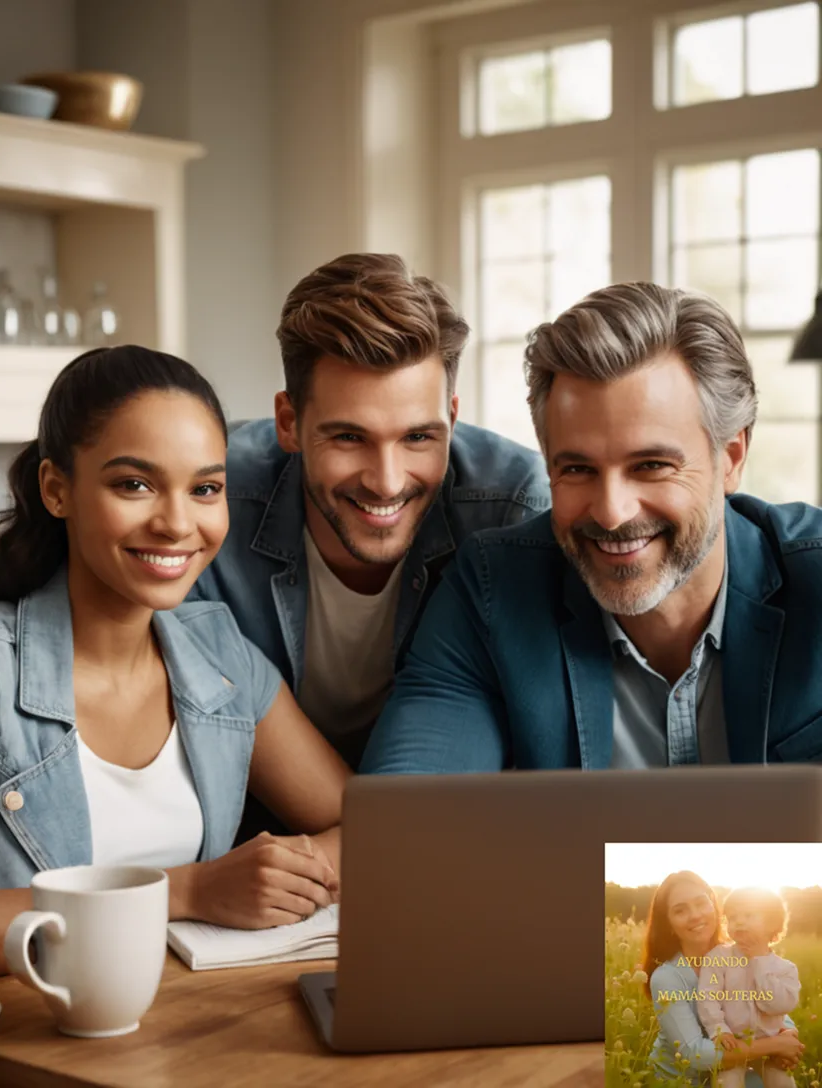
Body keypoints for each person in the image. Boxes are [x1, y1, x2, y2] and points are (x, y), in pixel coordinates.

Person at [0, 345, 349, 982]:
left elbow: (372, 827)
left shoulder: (220, 655)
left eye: (205, 488)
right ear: (56, 489)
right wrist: (186, 893)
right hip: (15, 1051)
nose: (178, 523)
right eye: (135, 485)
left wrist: (281, 876)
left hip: (186, 1038)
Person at [361, 282, 822, 774]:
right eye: (578, 470)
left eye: (650, 465)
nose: (610, 513)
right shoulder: (494, 590)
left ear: (730, 459)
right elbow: (413, 812)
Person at [190, 253, 549, 774]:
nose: (386, 480)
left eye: (419, 437)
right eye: (349, 437)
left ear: (451, 417)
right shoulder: (211, 499)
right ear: (288, 422)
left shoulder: (514, 508)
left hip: (436, 821)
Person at [643, 872, 803, 1085]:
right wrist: (775, 1045)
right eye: (680, 910)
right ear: (669, 923)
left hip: (735, 1065)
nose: (695, 915)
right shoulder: (667, 978)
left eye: (701, 903)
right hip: (683, 1080)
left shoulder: (740, 953)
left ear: (714, 906)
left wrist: (788, 1032)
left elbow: (765, 1003)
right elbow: (694, 1054)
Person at [697, 887, 800, 1088]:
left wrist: (759, 961)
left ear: (772, 924)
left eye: (748, 915)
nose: (739, 922)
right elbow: (707, 997)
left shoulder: (785, 969)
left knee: (783, 1083)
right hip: (733, 1044)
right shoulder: (718, 958)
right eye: (733, 917)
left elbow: (777, 1006)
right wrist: (719, 1030)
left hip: (770, 1049)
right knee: (727, 1083)